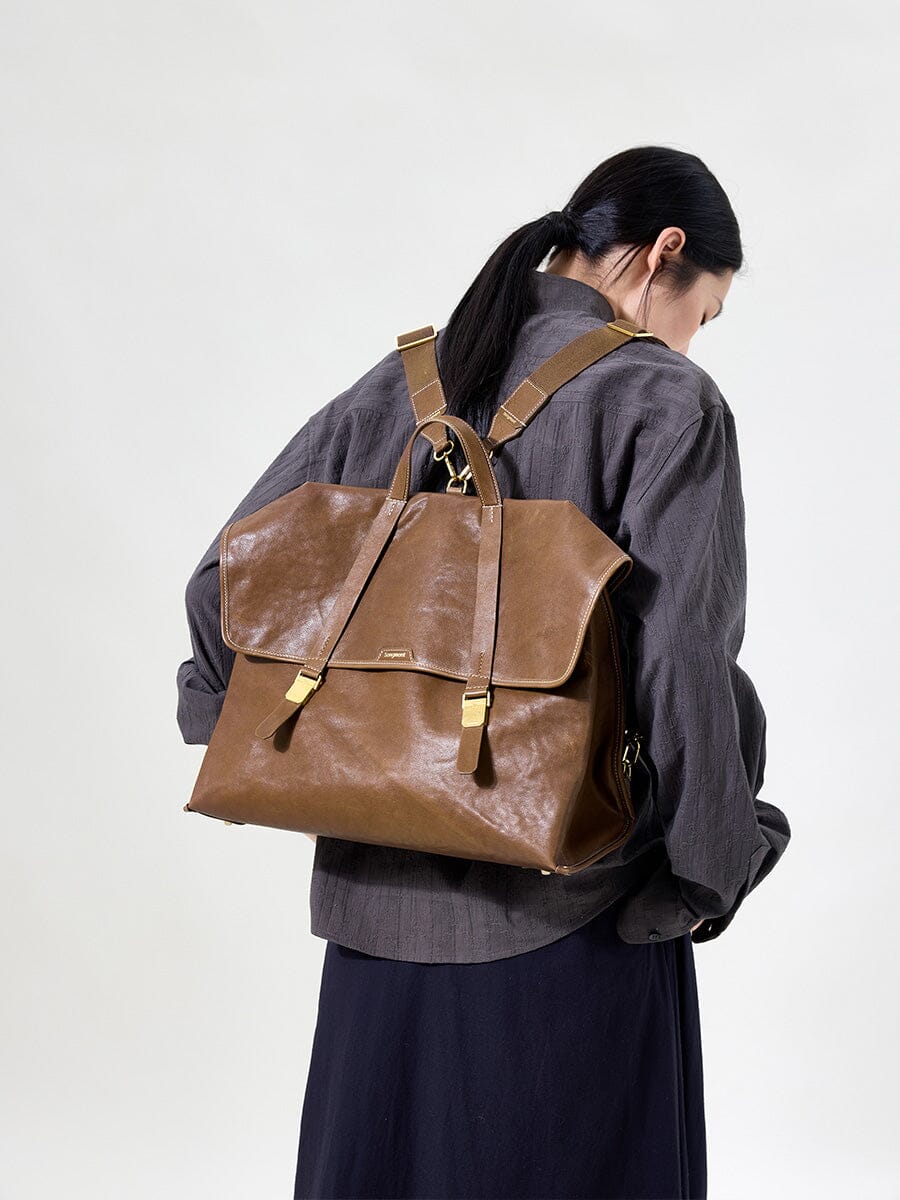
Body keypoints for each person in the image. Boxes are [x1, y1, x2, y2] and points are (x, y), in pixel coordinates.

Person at [176, 145, 791, 1199]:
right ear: (664, 254)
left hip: (371, 929)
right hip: (572, 919)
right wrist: (709, 870)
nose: (694, 338)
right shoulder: (663, 399)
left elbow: (221, 583)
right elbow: (684, 660)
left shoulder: (407, 382)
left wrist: (258, 729)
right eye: (707, 312)